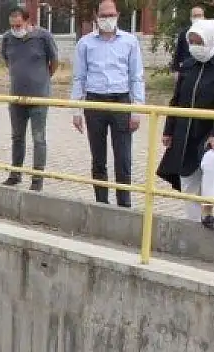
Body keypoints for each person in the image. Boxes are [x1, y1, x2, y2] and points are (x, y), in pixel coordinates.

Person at [156, 18, 214, 231]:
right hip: (185, 131)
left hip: (213, 130)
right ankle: (195, 226)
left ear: (211, 39)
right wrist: (169, 129)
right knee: (188, 181)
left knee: (213, 159)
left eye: (199, 42)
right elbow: (176, 99)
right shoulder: (188, 65)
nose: (194, 47)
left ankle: (208, 208)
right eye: (191, 41)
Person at [70, 0, 146, 208]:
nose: (107, 19)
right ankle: (101, 203)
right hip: (94, 102)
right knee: (98, 158)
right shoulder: (85, 43)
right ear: (96, 16)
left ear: (118, 15)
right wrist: (76, 110)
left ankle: (124, 205)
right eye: (103, 15)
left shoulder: (130, 42)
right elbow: (79, 78)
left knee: (123, 158)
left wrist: (137, 110)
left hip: (121, 102)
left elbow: (136, 77)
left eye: (111, 14)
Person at [0, 5, 58, 191]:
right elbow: (8, 61)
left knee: (38, 138)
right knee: (17, 137)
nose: (15, 29)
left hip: (39, 97)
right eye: (13, 26)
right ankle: (15, 174)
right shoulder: (7, 39)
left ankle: (37, 179)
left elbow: (54, 61)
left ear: (27, 21)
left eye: (19, 25)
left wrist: (42, 78)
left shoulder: (43, 37)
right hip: (16, 97)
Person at [170, 6, 206, 80]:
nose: (198, 18)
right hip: (187, 69)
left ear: (204, 17)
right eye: (195, 16)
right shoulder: (184, 33)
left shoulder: (209, 33)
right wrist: (176, 70)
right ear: (191, 18)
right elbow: (178, 51)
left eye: (200, 15)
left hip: (204, 69)